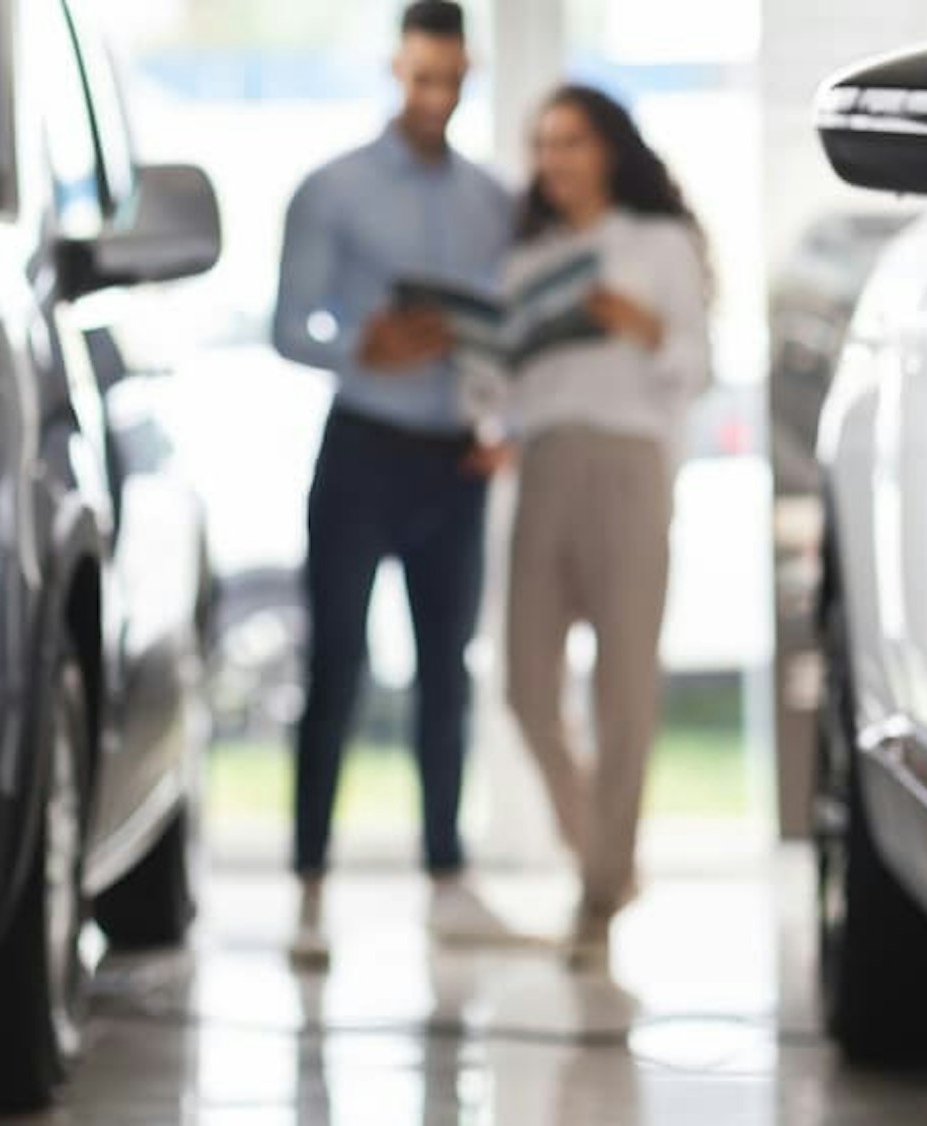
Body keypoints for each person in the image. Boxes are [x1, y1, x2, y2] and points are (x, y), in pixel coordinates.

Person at [271, 0, 517, 962]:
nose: (435, 97)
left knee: (446, 674)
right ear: (394, 68)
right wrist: (361, 344)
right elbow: (290, 327)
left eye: (451, 80)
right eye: (421, 78)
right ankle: (309, 889)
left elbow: (516, 330)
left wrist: (505, 421)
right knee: (337, 667)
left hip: (454, 459)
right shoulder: (330, 190)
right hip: (362, 448)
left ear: (467, 73)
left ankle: (447, 880)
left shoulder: (493, 200)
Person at [477, 85, 713, 965]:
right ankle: (605, 857)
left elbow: (695, 364)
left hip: (628, 466)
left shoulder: (660, 245)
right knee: (525, 688)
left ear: (608, 149)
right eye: (543, 145)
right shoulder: (526, 262)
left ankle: (597, 897)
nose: (555, 160)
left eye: (570, 141)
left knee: (624, 690)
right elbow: (500, 379)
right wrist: (479, 398)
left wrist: (645, 328)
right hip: (541, 467)